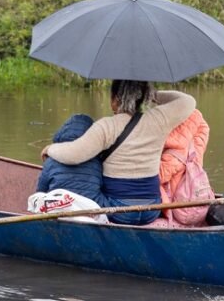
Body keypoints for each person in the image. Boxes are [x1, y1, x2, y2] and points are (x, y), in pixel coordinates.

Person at [42, 81, 195, 225]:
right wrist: (149, 94)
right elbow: (188, 101)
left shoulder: (107, 126)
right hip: (152, 208)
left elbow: (73, 155)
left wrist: (50, 149)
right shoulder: (159, 119)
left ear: (114, 99)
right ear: (142, 97)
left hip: (118, 211)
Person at [37, 114, 106, 206]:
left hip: (57, 207)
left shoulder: (50, 161)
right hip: (89, 209)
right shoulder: (98, 162)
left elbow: (41, 191)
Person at [158, 108, 211, 225]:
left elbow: (156, 177)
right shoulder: (197, 144)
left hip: (178, 208)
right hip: (196, 200)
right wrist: (190, 111)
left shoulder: (171, 155)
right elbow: (203, 127)